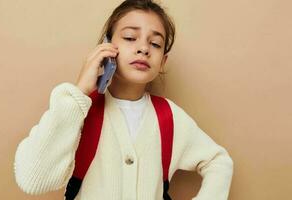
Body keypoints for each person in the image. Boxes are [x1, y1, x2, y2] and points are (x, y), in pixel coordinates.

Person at [14, 0, 234, 199]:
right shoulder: (78, 109)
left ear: (163, 61)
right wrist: (79, 92)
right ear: (107, 45)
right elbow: (32, 180)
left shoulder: (169, 117)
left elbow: (219, 161)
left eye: (155, 44)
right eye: (130, 38)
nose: (143, 48)